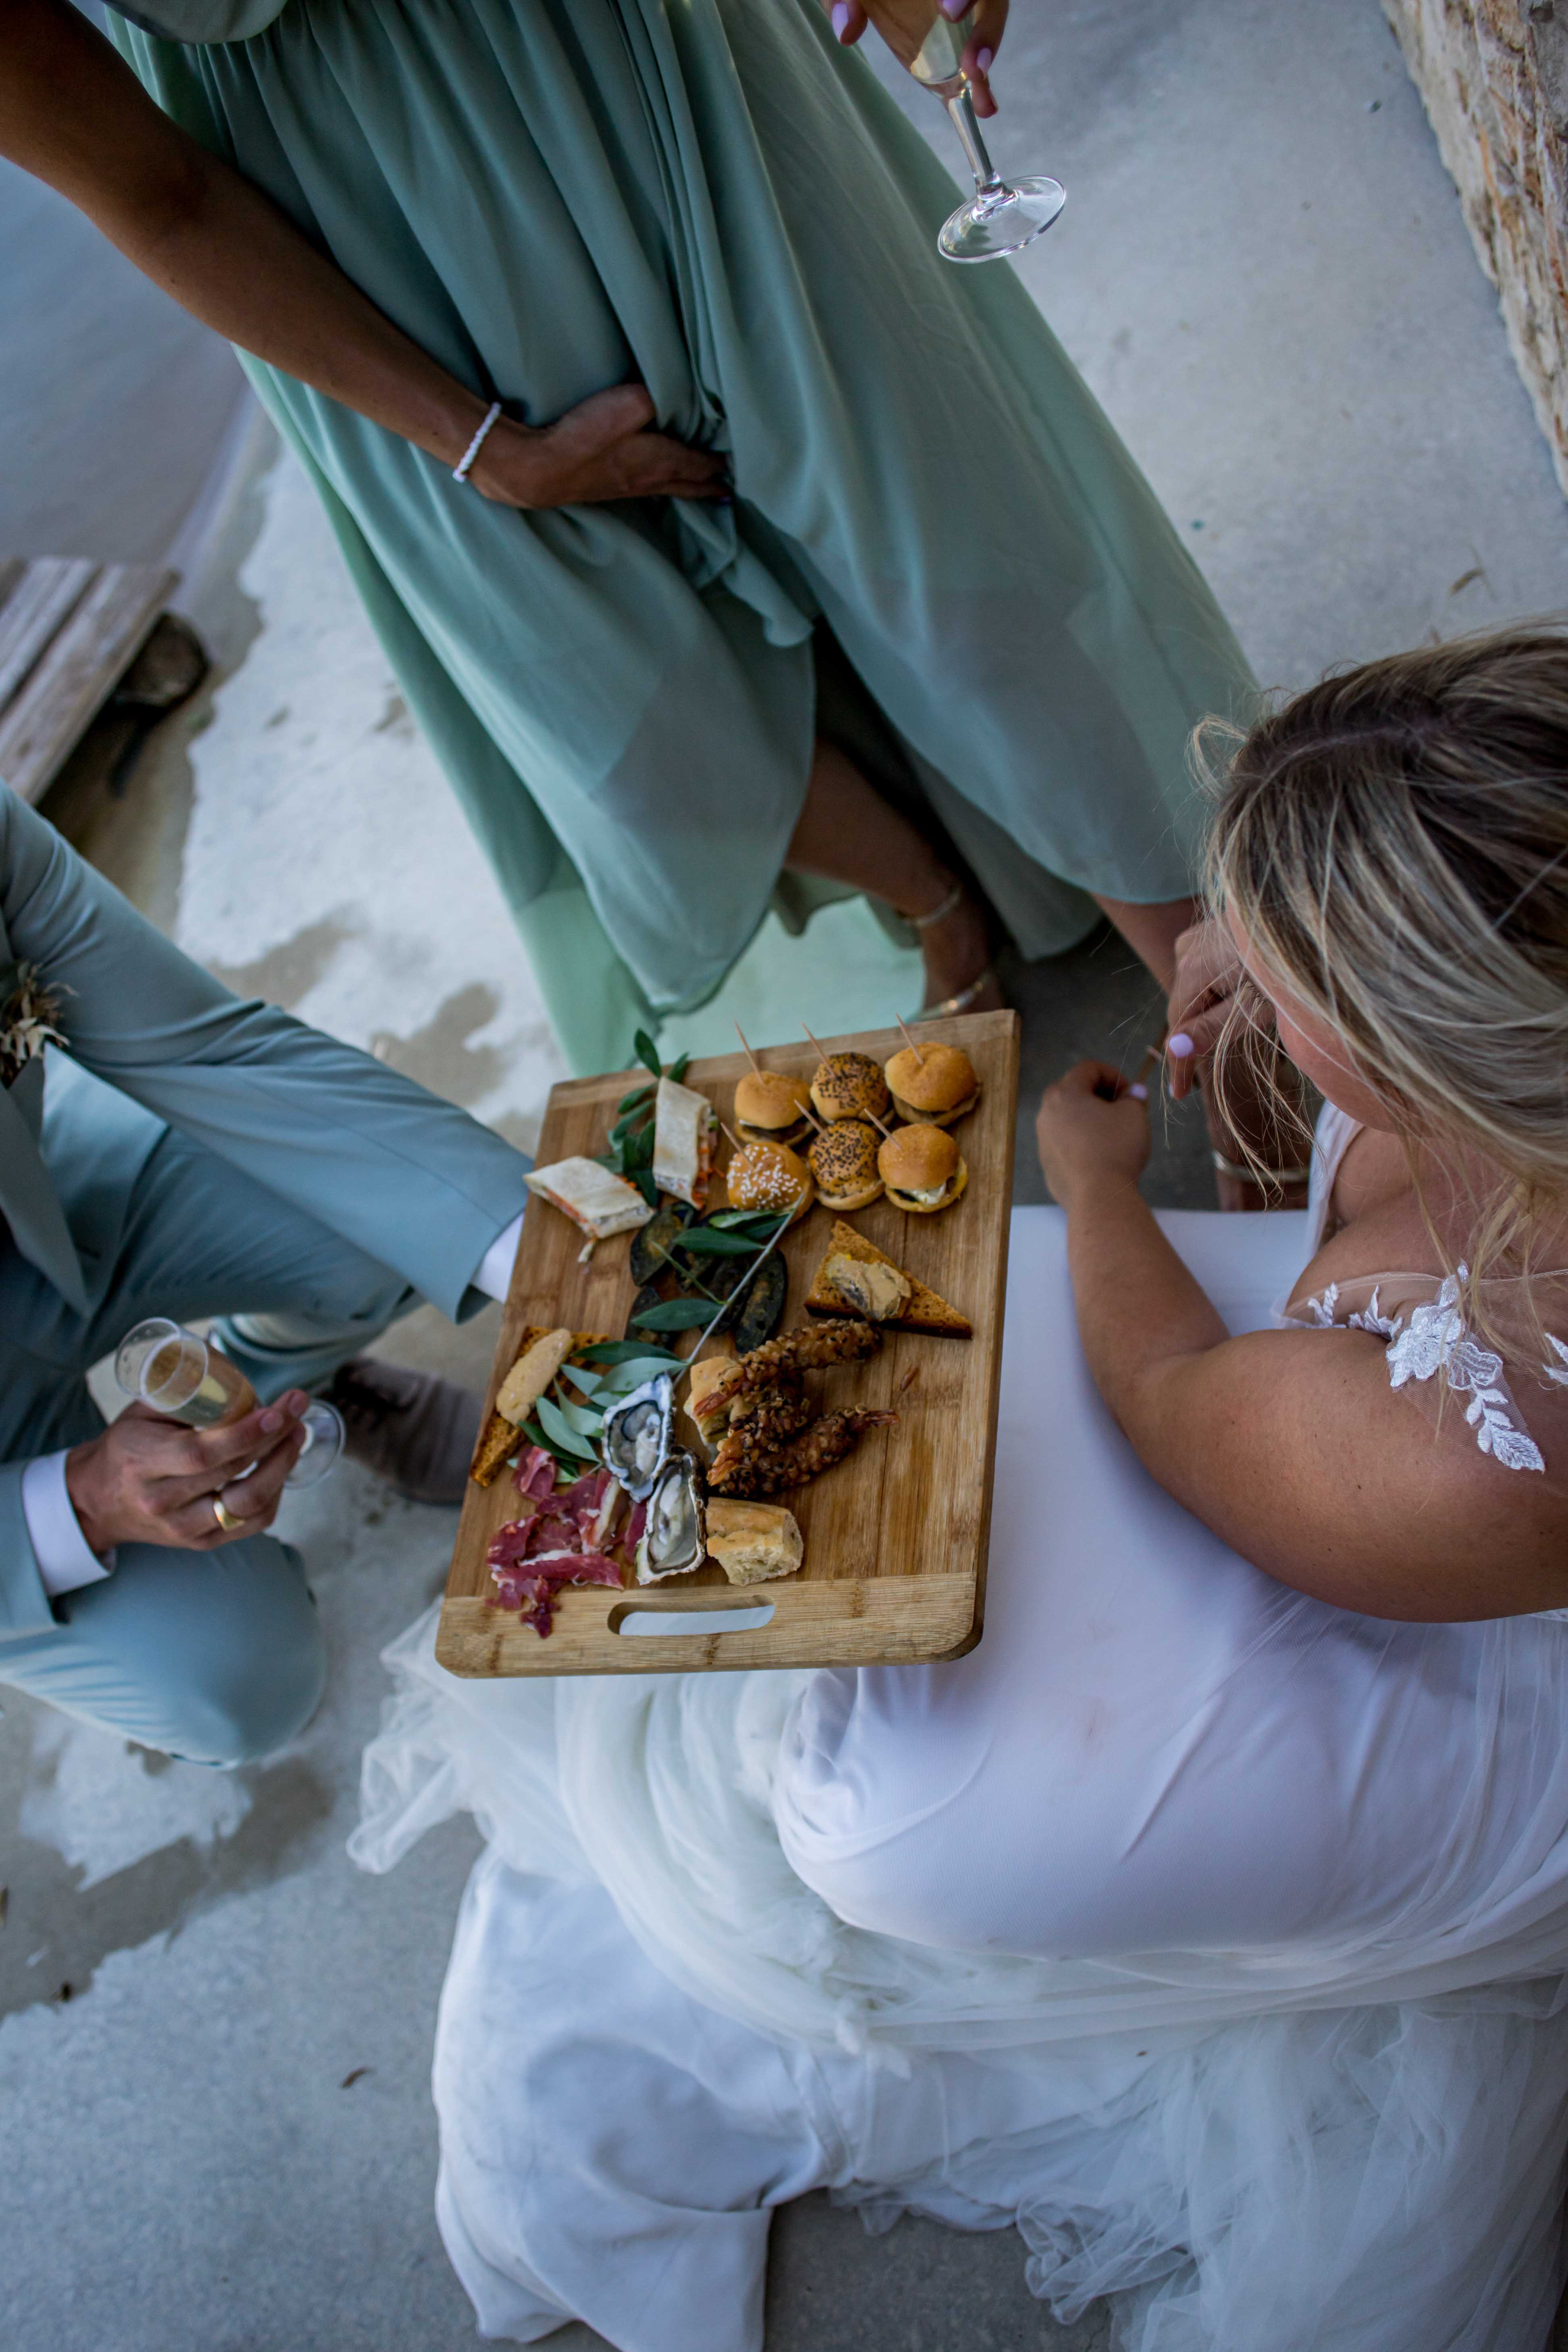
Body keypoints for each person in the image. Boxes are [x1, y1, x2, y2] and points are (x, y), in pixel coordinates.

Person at [352, 628, 1568, 2350]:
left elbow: (1166, 1396)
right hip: (1336, 1430)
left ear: (1443, 1039)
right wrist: (1274, 1001)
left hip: (1472, 1672)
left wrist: (1096, 1165)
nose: (1240, 980)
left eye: (1303, 986)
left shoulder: (1499, 1433)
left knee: (870, 1826)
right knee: (928, 1355)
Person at [1, 0, 1256, 1089]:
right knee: (622, 719)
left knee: (956, 548)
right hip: (330, 228)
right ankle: (933, 889)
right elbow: (152, 195)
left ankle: (1235, 1012)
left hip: (625, 63)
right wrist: (481, 443)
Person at [0, 783, 530, 1765]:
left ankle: (287, 1383)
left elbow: (212, 1048)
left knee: (390, 1213)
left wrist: (542, 1249)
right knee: (243, 1682)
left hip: (42, 1200)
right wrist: (78, 1502)